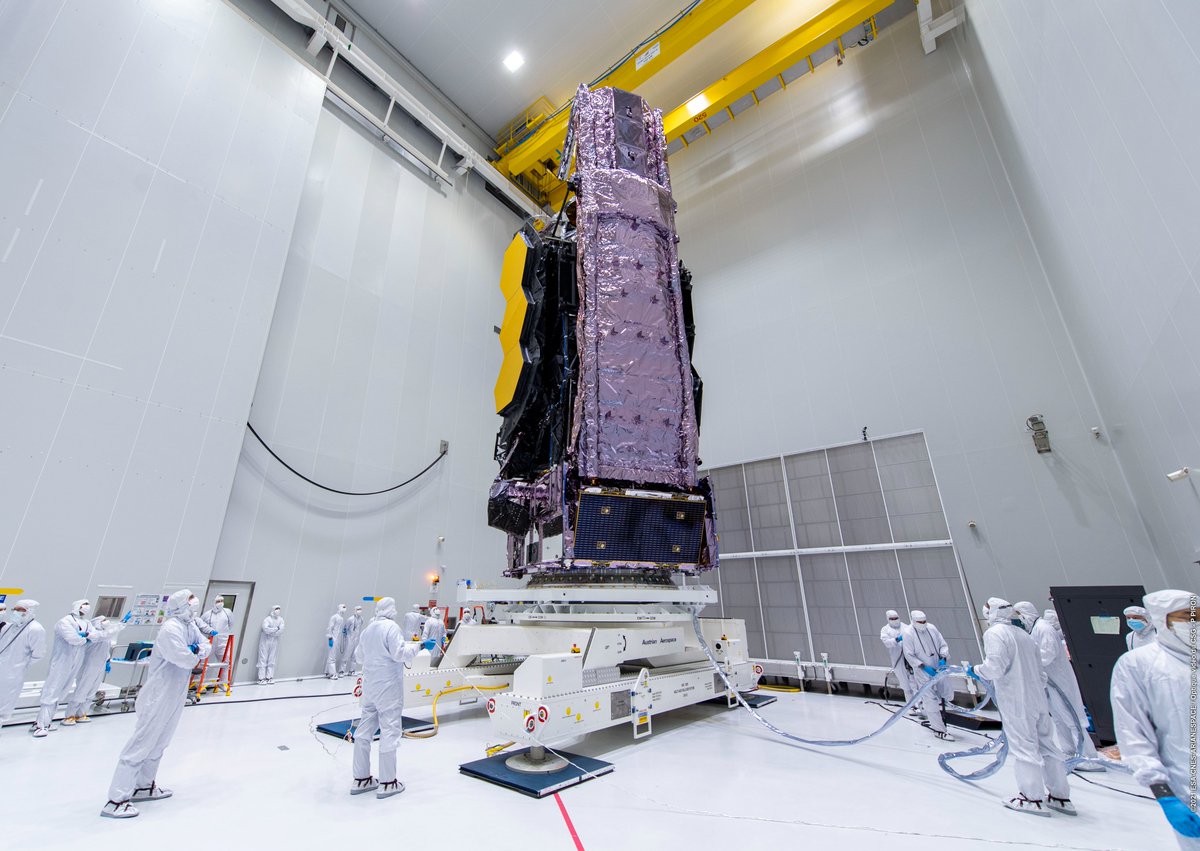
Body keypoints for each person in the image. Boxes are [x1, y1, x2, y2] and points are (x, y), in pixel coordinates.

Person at [101, 590, 210, 819]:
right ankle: (116, 799)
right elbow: (185, 658)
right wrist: (196, 653)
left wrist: (197, 651)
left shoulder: (189, 626)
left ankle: (143, 786)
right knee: (142, 742)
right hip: (159, 692)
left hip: (177, 690)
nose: (194, 603)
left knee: (161, 741)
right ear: (181, 604)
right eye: (190, 600)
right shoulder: (171, 628)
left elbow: (204, 646)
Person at [968, 598, 1074, 817]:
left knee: (1024, 747)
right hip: (1038, 698)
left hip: (1017, 700)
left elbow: (995, 667)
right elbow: (1042, 672)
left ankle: (1031, 798)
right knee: (1048, 746)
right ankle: (1060, 797)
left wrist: (976, 670)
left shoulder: (995, 634)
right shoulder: (1025, 635)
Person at [1112, 589, 1200, 848]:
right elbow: (1134, 734)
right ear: (1163, 619)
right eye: (1188, 616)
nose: (1195, 622)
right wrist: (1165, 795)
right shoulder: (1138, 665)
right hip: (1187, 789)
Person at [1013, 602, 1102, 769]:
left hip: (1061, 682)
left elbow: (1047, 655)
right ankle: (1069, 751)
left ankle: (1089, 758)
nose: (1020, 619)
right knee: (1060, 719)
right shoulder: (1035, 630)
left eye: (1019, 614)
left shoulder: (1044, 629)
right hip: (1050, 683)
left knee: (1072, 718)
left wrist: (1026, 661)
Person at [351, 597, 420, 799]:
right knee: (390, 730)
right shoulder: (391, 627)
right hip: (388, 687)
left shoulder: (368, 630)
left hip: (370, 686)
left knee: (364, 730)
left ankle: (361, 778)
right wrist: (418, 647)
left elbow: (360, 657)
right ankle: (388, 782)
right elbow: (399, 654)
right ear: (390, 609)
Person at [33, 599, 94, 736]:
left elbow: (95, 636)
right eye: (84, 604)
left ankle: (45, 722)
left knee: (62, 691)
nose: (87, 607)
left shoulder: (87, 623)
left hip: (76, 661)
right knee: (52, 690)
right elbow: (73, 639)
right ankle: (41, 726)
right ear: (77, 606)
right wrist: (86, 638)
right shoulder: (65, 621)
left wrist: (87, 637)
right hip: (62, 661)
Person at [64, 612, 130, 724]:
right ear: (97, 624)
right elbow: (104, 635)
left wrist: (107, 661)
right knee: (82, 690)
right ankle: (70, 715)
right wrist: (122, 623)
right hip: (89, 666)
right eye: (103, 620)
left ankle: (81, 714)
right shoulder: (93, 634)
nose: (106, 622)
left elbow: (105, 648)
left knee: (92, 690)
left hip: (100, 665)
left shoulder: (105, 637)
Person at [900, 609, 954, 741]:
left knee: (948, 694)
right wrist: (923, 666)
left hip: (939, 667)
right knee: (930, 700)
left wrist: (943, 657)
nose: (923, 624)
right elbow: (909, 654)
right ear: (913, 621)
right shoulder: (908, 633)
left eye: (924, 621)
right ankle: (939, 730)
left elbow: (942, 644)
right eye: (920, 622)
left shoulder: (932, 628)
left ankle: (947, 715)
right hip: (923, 671)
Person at [0, 601, 47, 732]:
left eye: (19, 609)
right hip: (2, 669)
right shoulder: (9, 627)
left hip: (12, 674)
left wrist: (19, 666)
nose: (15, 612)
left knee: (3, 705)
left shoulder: (35, 629)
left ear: (29, 611)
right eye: (14, 609)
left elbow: (38, 653)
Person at [879, 610, 915, 710]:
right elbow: (887, 642)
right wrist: (897, 639)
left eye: (896, 618)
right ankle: (911, 706)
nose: (895, 620)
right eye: (892, 619)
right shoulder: (885, 630)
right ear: (888, 619)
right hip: (898, 661)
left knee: (915, 682)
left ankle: (920, 705)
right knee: (906, 685)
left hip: (909, 659)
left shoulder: (905, 627)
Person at [199, 596, 233, 662]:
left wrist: (224, 634)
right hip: (210, 642)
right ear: (214, 602)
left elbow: (231, 624)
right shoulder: (207, 614)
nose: (220, 603)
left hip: (223, 642)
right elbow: (200, 625)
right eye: (218, 601)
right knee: (202, 662)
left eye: (222, 601)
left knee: (226, 662)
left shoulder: (227, 612)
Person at [257, 606, 285, 685]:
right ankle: (261, 678)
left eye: (279, 609)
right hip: (265, 641)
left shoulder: (281, 620)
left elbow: (281, 630)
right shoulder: (267, 619)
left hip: (274, 641)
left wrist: (272, 631)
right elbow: (265, 629)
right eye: (276, 609)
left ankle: (269, 677)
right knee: (263, 658)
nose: (278, 611)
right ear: (273, 610)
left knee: (272, 659)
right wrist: (276, 629)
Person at [340, 605, 364, 676]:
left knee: (355, 656)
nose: (360, 611)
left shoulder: (361, 619)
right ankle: (341, 671)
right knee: (346, 655)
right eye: (358, 609)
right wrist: (346, 637)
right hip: (349, 639)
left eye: (360, 609)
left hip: (356, 639)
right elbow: (345, 628)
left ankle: (352, 671)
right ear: (355, 610)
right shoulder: (350, 619)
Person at [326, 604, 347, 679]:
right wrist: (330, 637)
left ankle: (327, 672)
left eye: (345, 607)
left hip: (337, 639)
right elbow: (330, 627)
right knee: (332, 657)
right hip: (333, 639)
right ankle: (332, 674)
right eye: (343, 607)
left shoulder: (341, 618)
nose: (345, 609)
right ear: (339, 608)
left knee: (332, 656)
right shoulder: (334, 617)